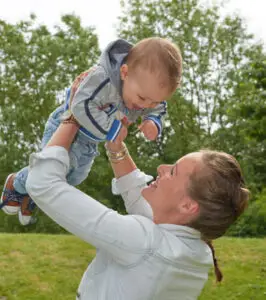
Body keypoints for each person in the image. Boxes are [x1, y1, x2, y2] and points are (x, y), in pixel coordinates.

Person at [25, 119, 249, 299]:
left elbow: (43, 184)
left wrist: (72, 118)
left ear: (187, 205)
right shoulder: (197, 250)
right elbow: (140, 200)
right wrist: (116, 147)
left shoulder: (144, 243)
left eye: (173, 172)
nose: (162, 168)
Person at [0, 37, 182, 225]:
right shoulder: (102, 79)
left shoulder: (146, 91)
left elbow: (159, 107)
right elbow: (80, 106)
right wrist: (113, 128)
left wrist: (153, 121)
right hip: (65, 126)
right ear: (124, 72)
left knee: (75, 177)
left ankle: (30, 193)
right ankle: (17, 182)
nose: (145, 105)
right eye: (142, 98)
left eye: (153, 101)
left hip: (90, 140)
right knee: (54, 169)